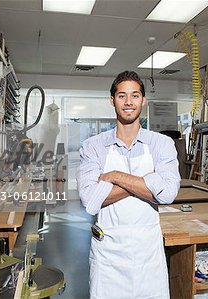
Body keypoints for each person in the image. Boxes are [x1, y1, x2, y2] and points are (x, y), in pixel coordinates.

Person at [77, 70, 181, 299]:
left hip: (148, 254)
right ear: (112, 101)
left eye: (135, 95)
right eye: (122, 96)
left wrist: (114, 176)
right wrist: (147, 181)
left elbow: (167, 194)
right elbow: (90, 200)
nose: (128, 102)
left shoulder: (161, 144)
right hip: (108, 254)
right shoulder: (93, 146)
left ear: (143, 101)